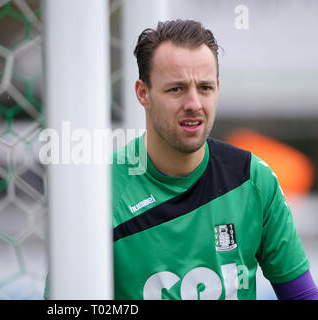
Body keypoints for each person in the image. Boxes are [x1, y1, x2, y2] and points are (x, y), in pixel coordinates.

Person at [112, 19, 318, 300]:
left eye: (205, 88)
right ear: (143, 93)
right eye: (176, 89)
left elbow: (302, 296)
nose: (194, 104)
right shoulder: (102, 189)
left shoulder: (253, 179)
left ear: (217, 89)